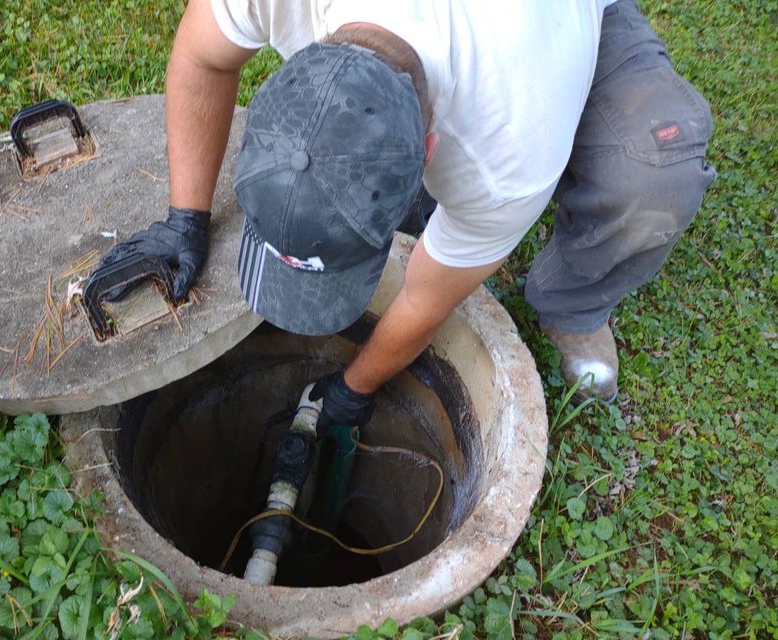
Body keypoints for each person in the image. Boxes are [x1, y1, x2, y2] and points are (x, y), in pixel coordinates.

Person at [91, 0, 715, 432]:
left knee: (653, 174)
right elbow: (204, 58)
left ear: (429, 150)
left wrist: (353, 387)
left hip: (564, 20)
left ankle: (573, 304)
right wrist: (185, 217)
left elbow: (425, 296)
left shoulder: (510, 153)